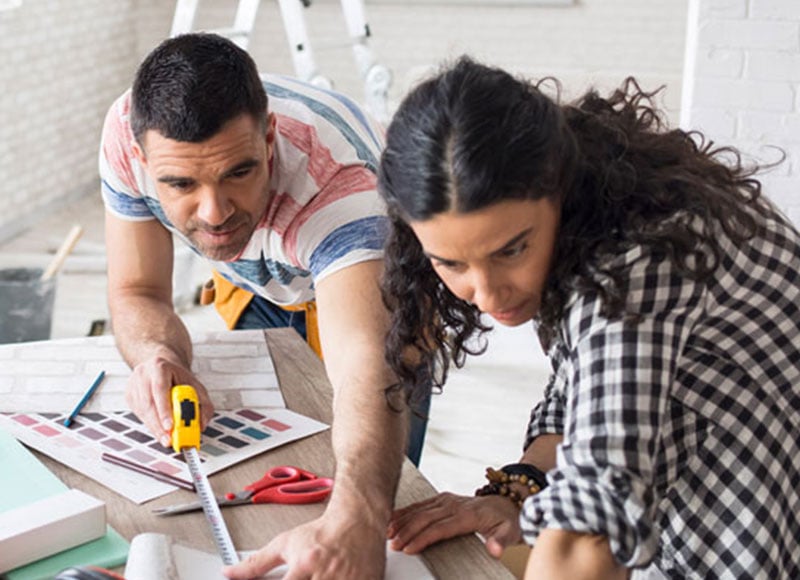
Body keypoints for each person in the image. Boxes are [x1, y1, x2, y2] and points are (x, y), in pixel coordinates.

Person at [377, 56, 800, 579]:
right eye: (452, 263)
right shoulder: (594, 214)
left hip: (743, 527)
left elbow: (586, 543)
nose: (485, 294)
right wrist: (517, 487)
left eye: (511, 250)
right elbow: (582, 389)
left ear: (557, 186)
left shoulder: (638, 263)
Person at [99, 32, 423, 578]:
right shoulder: (126, 130)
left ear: (269, 137)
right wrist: (158, 355)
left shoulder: (343, 188)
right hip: (259, 279)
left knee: (376, 498)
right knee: (258, 468)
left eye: (238, 172)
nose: (214, 212)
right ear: (140, 157)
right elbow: (139, 292)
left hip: (372, 280)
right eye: (180, 183)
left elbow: (368, 367)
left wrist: (361, 517)